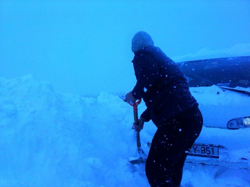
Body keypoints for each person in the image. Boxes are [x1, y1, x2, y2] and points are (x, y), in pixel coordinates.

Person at [125, 31, 203, 187]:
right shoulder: (164, 60)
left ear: (135, 48)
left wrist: (135, 93)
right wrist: (143, 118)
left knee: (156, 168)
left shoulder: (144, 55)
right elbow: (166, 96)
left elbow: (148, 76)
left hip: (177, 121)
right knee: (171, 168)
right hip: (192, 118)